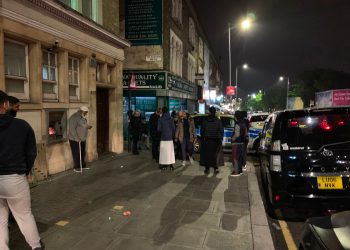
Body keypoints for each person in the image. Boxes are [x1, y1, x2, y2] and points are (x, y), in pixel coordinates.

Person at [0, 90, 44, 250]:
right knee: (24, 216)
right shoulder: (22, 126)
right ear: (5, 104)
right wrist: (24, 171)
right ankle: (35, 246)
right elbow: (31, 152)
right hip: (14, 179)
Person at [68, 106, 92, 172]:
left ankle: (82, 165)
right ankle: (76, 167)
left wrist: (88, 126)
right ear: (82, 111)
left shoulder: (81, 117)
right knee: (76, 153)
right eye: (86, 112)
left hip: (82, 139)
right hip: (75, 139)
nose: (86, 114)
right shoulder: (74, 117)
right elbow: (72, 129)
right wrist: (76, 138)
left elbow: (83, 125)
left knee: (82, 152)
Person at [200, 106, 223, 174]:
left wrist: (202, 138)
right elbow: (221, 130)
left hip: (207, 140)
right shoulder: (218, 121)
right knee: (215, 155)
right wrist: (221, 138)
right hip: (216, 140)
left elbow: (202, 130)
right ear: (215, 112)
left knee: (207, 155)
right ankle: (215, 168)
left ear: (210, 112)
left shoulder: (205, 120)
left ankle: (207, 169)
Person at [158, 107, 175, 171]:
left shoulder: (160, 119)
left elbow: (159, 129)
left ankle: (164, 165)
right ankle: (171, 165)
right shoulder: (171, 119)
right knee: (170, 152)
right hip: (170, 137)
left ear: (162, 111)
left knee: (164, 153)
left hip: (163, 137)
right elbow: (173, 129)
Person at [231, 111, 248, 176]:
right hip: (242, 143)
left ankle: (236, 171)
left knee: (235, 157)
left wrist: (232, 139)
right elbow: (246, 134)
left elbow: (236, 135)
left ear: (236, 117)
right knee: (240, 157)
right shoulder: (243, 124)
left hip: (236, 144)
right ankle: (240, 170)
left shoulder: (237, 124)